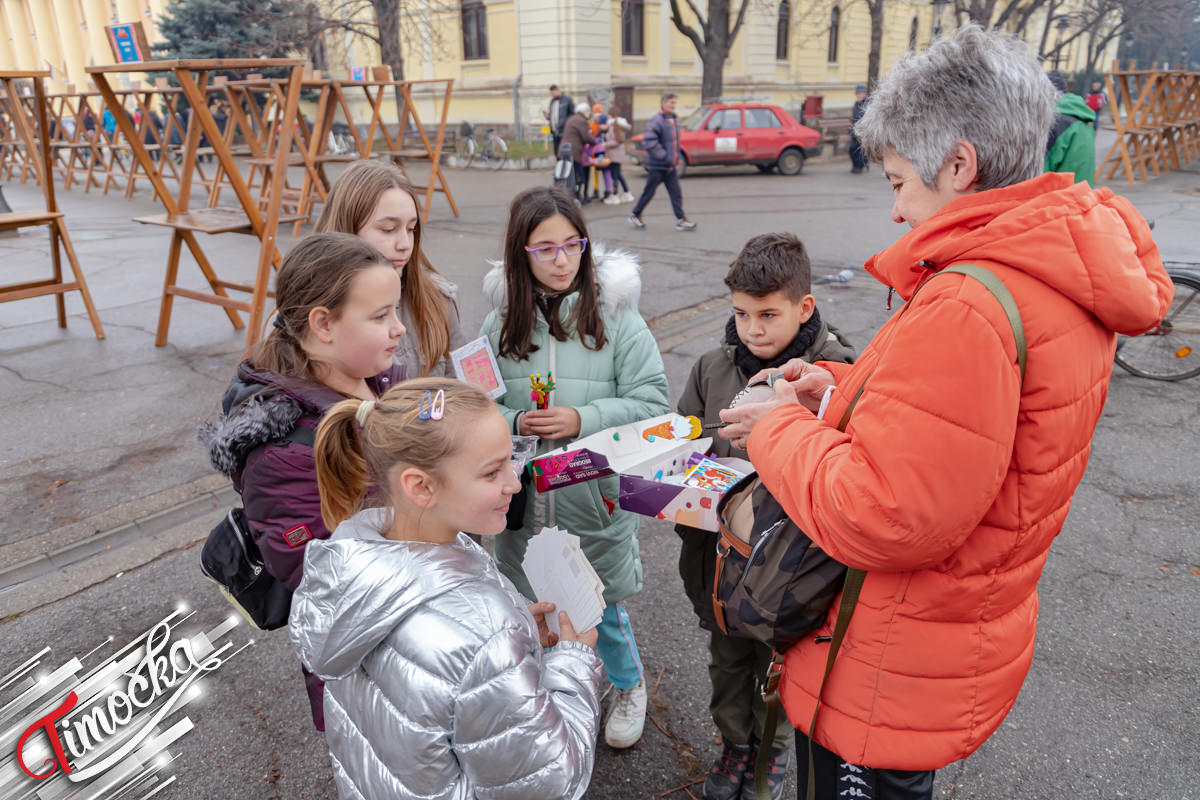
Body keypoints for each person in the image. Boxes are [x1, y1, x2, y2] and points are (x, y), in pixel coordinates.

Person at [717, 25, 1171, 800]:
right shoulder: (1049, 268)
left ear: (958, 164)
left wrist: (775, 428)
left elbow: (886, 512)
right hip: (944, 640)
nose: (894, 209)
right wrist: (832, 391)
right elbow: (971, 437)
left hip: (886, 664)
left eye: (898, 181)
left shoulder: (969, 300)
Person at [289, 378, 604, 800]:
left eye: (511, 460)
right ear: (421, 487)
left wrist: (511, 649)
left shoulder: (351, 563)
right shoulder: (485, 635)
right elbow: (548, 782)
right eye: (493, 471)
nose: (514, 482)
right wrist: (572, 665)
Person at [481, 186, 670, 749]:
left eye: (573, 245)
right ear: (521, 254)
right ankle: (551, 697)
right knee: (534, 610)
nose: (563, 261)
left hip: (595, 501)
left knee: (601, 610)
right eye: (545, 249)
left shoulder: (616, 317)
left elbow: (653, 404)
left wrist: (581, 417)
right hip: (526, 505)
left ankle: (628, 685)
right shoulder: (499, 327)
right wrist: (516, 422)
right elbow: (479, 408)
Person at [199, 233, 409, 732]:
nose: (399, 328)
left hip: (412, 615)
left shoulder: (376, 379)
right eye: (380, 317)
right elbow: (314, 572)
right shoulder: (286, 450)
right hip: (365, 651)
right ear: (322, 324)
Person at [676, 233, 855, 800]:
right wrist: (670, 480)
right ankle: (735, 743)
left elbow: (849, 463)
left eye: (768, 314)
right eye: (741, 314)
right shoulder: (711, 368)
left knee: (782, 666)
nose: (753, 328)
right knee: (727, 657)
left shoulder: (837, 370)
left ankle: (773, 752)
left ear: (803, 307)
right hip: (721, 555)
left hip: (792, 567)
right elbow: (686, 437)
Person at [315, 160, 465, 377]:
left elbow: (470, 388)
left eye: (411, 229)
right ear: (346, 230)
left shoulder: (436, 299)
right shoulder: (306, 313)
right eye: (388, 229)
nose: (405, 244)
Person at [629, 92, 697, 231]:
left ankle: (681, 219)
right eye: (671, 103)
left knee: (675, 193)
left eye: (674, 103)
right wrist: (666, 157)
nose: (673, 106)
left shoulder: (674, 120)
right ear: (663, 103)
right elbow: (650, 142)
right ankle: (636, 215)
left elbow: (674, 143)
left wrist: (675, 158)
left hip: (669, 167)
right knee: (649, 192)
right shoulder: (656, 121)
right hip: (657, 166)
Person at [1045, 70, 1097, 186]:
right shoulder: (1083, 120)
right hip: (1083, 194)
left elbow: (1042, 168)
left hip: (1060, 197)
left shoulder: (1055, 122)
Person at [559, 103, 595, 204]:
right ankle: (575, 197)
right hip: (573, 153)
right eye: (589, 112)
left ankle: (572, 196)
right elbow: (586, 136)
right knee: (578, 177)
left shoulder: (572, 118)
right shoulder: (581, 120)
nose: (589, 114)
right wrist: (596, 142)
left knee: (568, 176)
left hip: (564, 150)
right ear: (586, 112)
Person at [604, 109, 635, 203]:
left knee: (615, 176)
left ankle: (615, 195)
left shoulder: (616, 126)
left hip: (614, 155)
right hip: (616, 154)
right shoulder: (617, 125)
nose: (607, 117)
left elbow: (617, 141)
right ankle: (627, 193)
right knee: (618, 175)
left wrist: (605, 144)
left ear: (612, 116)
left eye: (608, 115)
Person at [545, 84, 575, 161]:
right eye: (551, 94)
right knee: (556, 152)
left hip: (564, 131)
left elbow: (572, 114)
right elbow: (553, 115)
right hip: (555, 131)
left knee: (564, 151)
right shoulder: (552, 101)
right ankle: (559, 169)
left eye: (553, 93)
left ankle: (565, 168)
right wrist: (549, 117)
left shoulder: (567, 100)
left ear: (558, 91)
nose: (552, 95)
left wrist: (565, 122)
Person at [849, 85, 869, 173]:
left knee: (860, 149)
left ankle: (859, 166)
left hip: (864, 131)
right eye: (857, 93)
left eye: (860, 93)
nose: (858, 95)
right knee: (852, 148)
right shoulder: (856, 104)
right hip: (855, 130)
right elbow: (854, 118)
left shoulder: (868, 103)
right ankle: (856, 165)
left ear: (865, 94)